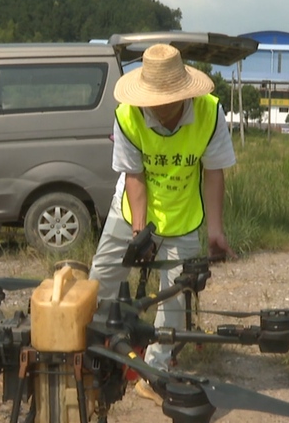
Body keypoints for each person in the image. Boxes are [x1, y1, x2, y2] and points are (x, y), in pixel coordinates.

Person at [88, 43, 237, 399]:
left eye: (165, 99)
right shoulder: (127, 116)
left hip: (183, 216)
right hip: (130, 212)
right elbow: (134, 177)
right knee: (100, 280)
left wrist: (215, 229)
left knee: (175, 298)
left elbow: (213, 172)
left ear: (183, 94)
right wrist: (139, 230)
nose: (157, 106)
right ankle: (91, 355)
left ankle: (152, 373)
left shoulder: (209, 112)